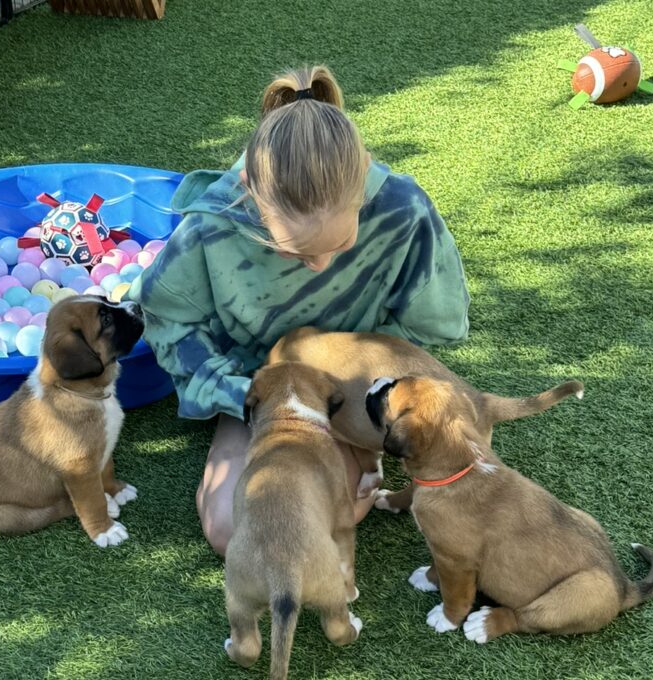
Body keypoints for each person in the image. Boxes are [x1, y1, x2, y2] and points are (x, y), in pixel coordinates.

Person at [127, 65, 470, 556]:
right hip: (259, 391)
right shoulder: (213, 224)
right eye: (293, 252)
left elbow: (430, 328)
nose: (320, 266)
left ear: (364, 182)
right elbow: (170, 325)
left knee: (328, 517)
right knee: (235, 531)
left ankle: (358, 458)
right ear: (249, 190)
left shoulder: (403, 210)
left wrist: (352, 402)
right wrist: (251, 397)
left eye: (341, 243)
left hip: (352, 392)